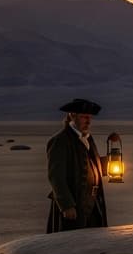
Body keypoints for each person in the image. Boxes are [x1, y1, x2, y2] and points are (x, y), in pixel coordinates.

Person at [46, 98, 108, 233]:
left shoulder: (87, 139)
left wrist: (110, 163)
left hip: (92, 204)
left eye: (90, 117)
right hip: (73, 206)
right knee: (69, 244)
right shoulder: (60, 141)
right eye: (84, 117)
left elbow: (86, 165)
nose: (89, 121)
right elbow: (56, 176)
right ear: (72, 116)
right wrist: (67, 205)